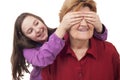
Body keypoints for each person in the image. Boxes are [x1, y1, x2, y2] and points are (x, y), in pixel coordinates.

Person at [11, 6, 108, 80]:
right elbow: (42, 59)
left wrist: (99, 27)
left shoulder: (57, 34)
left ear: (41, 20)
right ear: (25, 37)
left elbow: (100, 38)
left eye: (36, 23)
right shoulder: (28, 50)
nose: (37, 30)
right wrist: (62, 28)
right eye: (30, 31)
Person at [41, 0, 120, 80]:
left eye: (89, 19)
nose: (84, 24)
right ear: (65, 23)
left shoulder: (109, 51)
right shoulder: (51, 56)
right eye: (76, 19)